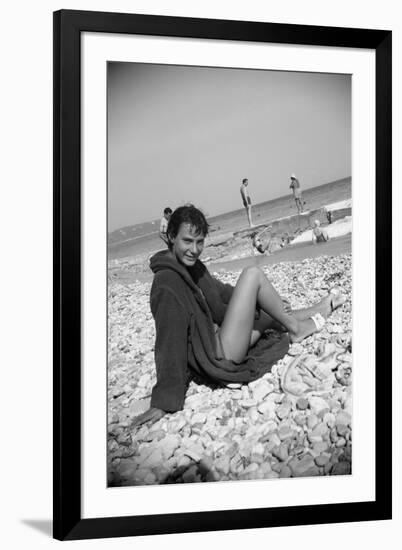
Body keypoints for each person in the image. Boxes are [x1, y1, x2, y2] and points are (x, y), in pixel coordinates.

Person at [132, 205, 345, 427]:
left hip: (221, 338)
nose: (194, 250)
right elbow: (169, 340)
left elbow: (222, 292)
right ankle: (298, 328)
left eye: (200, 242)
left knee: (272, 312)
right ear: (172, 237)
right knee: (253, 274)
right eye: (187, 241)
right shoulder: (167, 282)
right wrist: (164, 399)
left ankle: (322, 309)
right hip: (219, 355)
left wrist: (255, 299)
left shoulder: (192, 267)